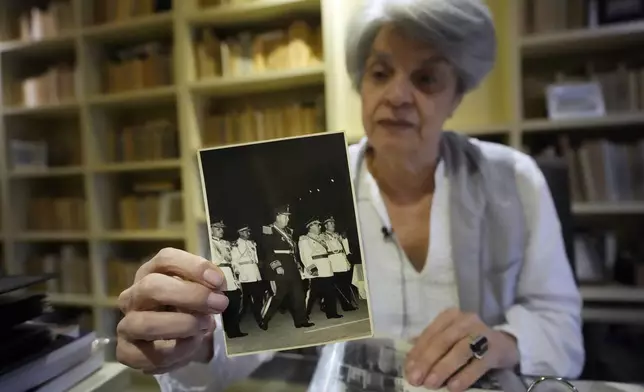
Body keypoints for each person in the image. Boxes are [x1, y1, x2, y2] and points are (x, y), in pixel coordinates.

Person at [115, 1, 585, 391]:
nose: (397, 95)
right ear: (362, 84)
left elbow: (562, 330)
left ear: (456, 96)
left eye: (425, 80)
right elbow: (240, 340)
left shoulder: (513, 179)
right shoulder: (305, 188)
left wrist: (502, 341)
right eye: (381, 73)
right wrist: (192, 340)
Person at [258, 205, 313, 330]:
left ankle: (301, 321)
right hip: (278, 266)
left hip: (291, 265)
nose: (288, 220)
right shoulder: (268, 230)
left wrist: (297, 263)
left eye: (288, 217)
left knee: (298, 294)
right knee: (278, 295)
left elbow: (292, 250)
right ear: (277, 216)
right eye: (285, 217)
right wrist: (276, 265)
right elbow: (268, 251)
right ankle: (264, 319)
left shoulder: (289, 231)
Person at [298, 217, 342, 319]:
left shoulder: (322, 237)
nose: (319, 226)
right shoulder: (305, 239)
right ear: (310, 227)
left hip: (326, 268)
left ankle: (332, 313)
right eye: (316, 225)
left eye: (319, 225)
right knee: (312, 294)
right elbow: (305, 255)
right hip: (316, 269)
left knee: (330, 292)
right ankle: (304, 314)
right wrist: (312, 269)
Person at [209, 220, 246, 339]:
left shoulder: (226, 242)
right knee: (222, 305)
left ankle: (234, 330)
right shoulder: (210, 243)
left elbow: (233, 258)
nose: (221, 231)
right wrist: (224, 252)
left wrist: (236, 267)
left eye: (222, 229)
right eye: (218, 229)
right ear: (211, 229)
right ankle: (223, 331)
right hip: (218, 273)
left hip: (230, 274)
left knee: (234, 302)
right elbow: (215, 260)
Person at [322, 216, 358, 311]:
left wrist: (344, 238)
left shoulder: (338, 235)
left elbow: (345, 249)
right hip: (334, 263)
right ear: (326, 225)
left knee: (345, 285)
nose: (333, 225)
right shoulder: (323, 236)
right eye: (330, 223)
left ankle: (347, 304)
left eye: (333, 223)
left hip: (342, 262)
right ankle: (325, 304)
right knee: (335, 287)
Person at [230, 226, 264, 328]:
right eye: (245, 231)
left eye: (248, 231)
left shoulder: (251, 243)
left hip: (254, 273)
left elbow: (255, 259)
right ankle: (235, 323)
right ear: (240, 233)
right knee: (244, 302)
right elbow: (234, 261)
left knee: (258, 297)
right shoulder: (235, 244)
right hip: (245, 275)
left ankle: (259, 318)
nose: (248, 233)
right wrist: (239, 272)